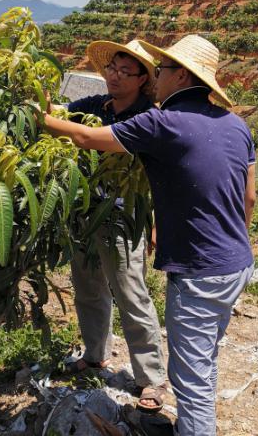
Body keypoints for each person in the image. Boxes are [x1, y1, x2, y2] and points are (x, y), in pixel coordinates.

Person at [43, 34, 256, 435]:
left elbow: (86, 137)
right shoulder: (235, 124)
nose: (157, 76)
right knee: (202, 361)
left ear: (180, 77)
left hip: (198, 269)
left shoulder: (163, 121)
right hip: (237, 263)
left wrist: (33, 117)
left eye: (162, 70)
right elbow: (250, 198)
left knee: (189, 380)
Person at [61, 39, 167, 413]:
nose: (116, 77)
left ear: (143, 80)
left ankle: (151, 378)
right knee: (87, 285)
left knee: (130, 293)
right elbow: (64, 116)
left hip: (123, 217)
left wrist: (154, 221)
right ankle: (94, 355)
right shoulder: (94, 106)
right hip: (85, 211)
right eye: (112, 69)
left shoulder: (148, 117)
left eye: (126, 72)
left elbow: (155, 176)